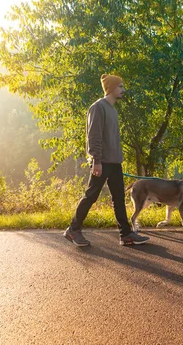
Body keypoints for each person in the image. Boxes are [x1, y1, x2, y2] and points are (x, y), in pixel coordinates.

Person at [64, 74, 150, 247]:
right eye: (120, 87)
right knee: (91, 196)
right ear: (111, 88)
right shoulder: (98, 107)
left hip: (114, 162)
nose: (123, 90)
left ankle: (125, 234)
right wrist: (96, 160)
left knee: (119, 198)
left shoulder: (112, 109)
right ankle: (73, 229)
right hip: (101, 162)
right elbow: (93, 135)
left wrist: (117, 159)